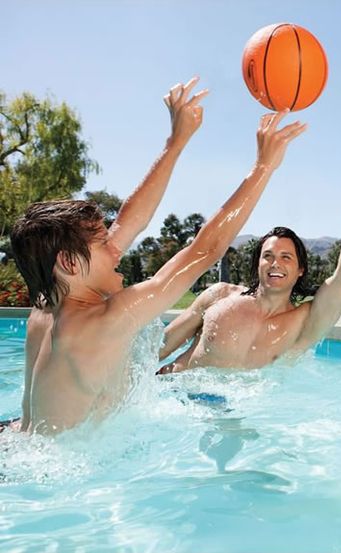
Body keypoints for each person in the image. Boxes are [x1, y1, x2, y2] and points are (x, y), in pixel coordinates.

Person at [10, 78, 305, 434]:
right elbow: (206, 250)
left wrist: (176, 142)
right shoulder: (104, 320)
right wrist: (263, 168)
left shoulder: (46, 306)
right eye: (104, 245)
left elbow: (127, 221)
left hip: (19, 442)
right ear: (70, 263)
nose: (117, 247)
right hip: (63, 480)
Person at [157, 158, 341, 372]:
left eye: (286, 257)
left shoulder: (304, 321)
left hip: (229, 414)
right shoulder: (219, 296)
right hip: (176, 392)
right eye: (268, 256)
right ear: (258, 264)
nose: (276, 263)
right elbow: (160, 346)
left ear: (300, 270)